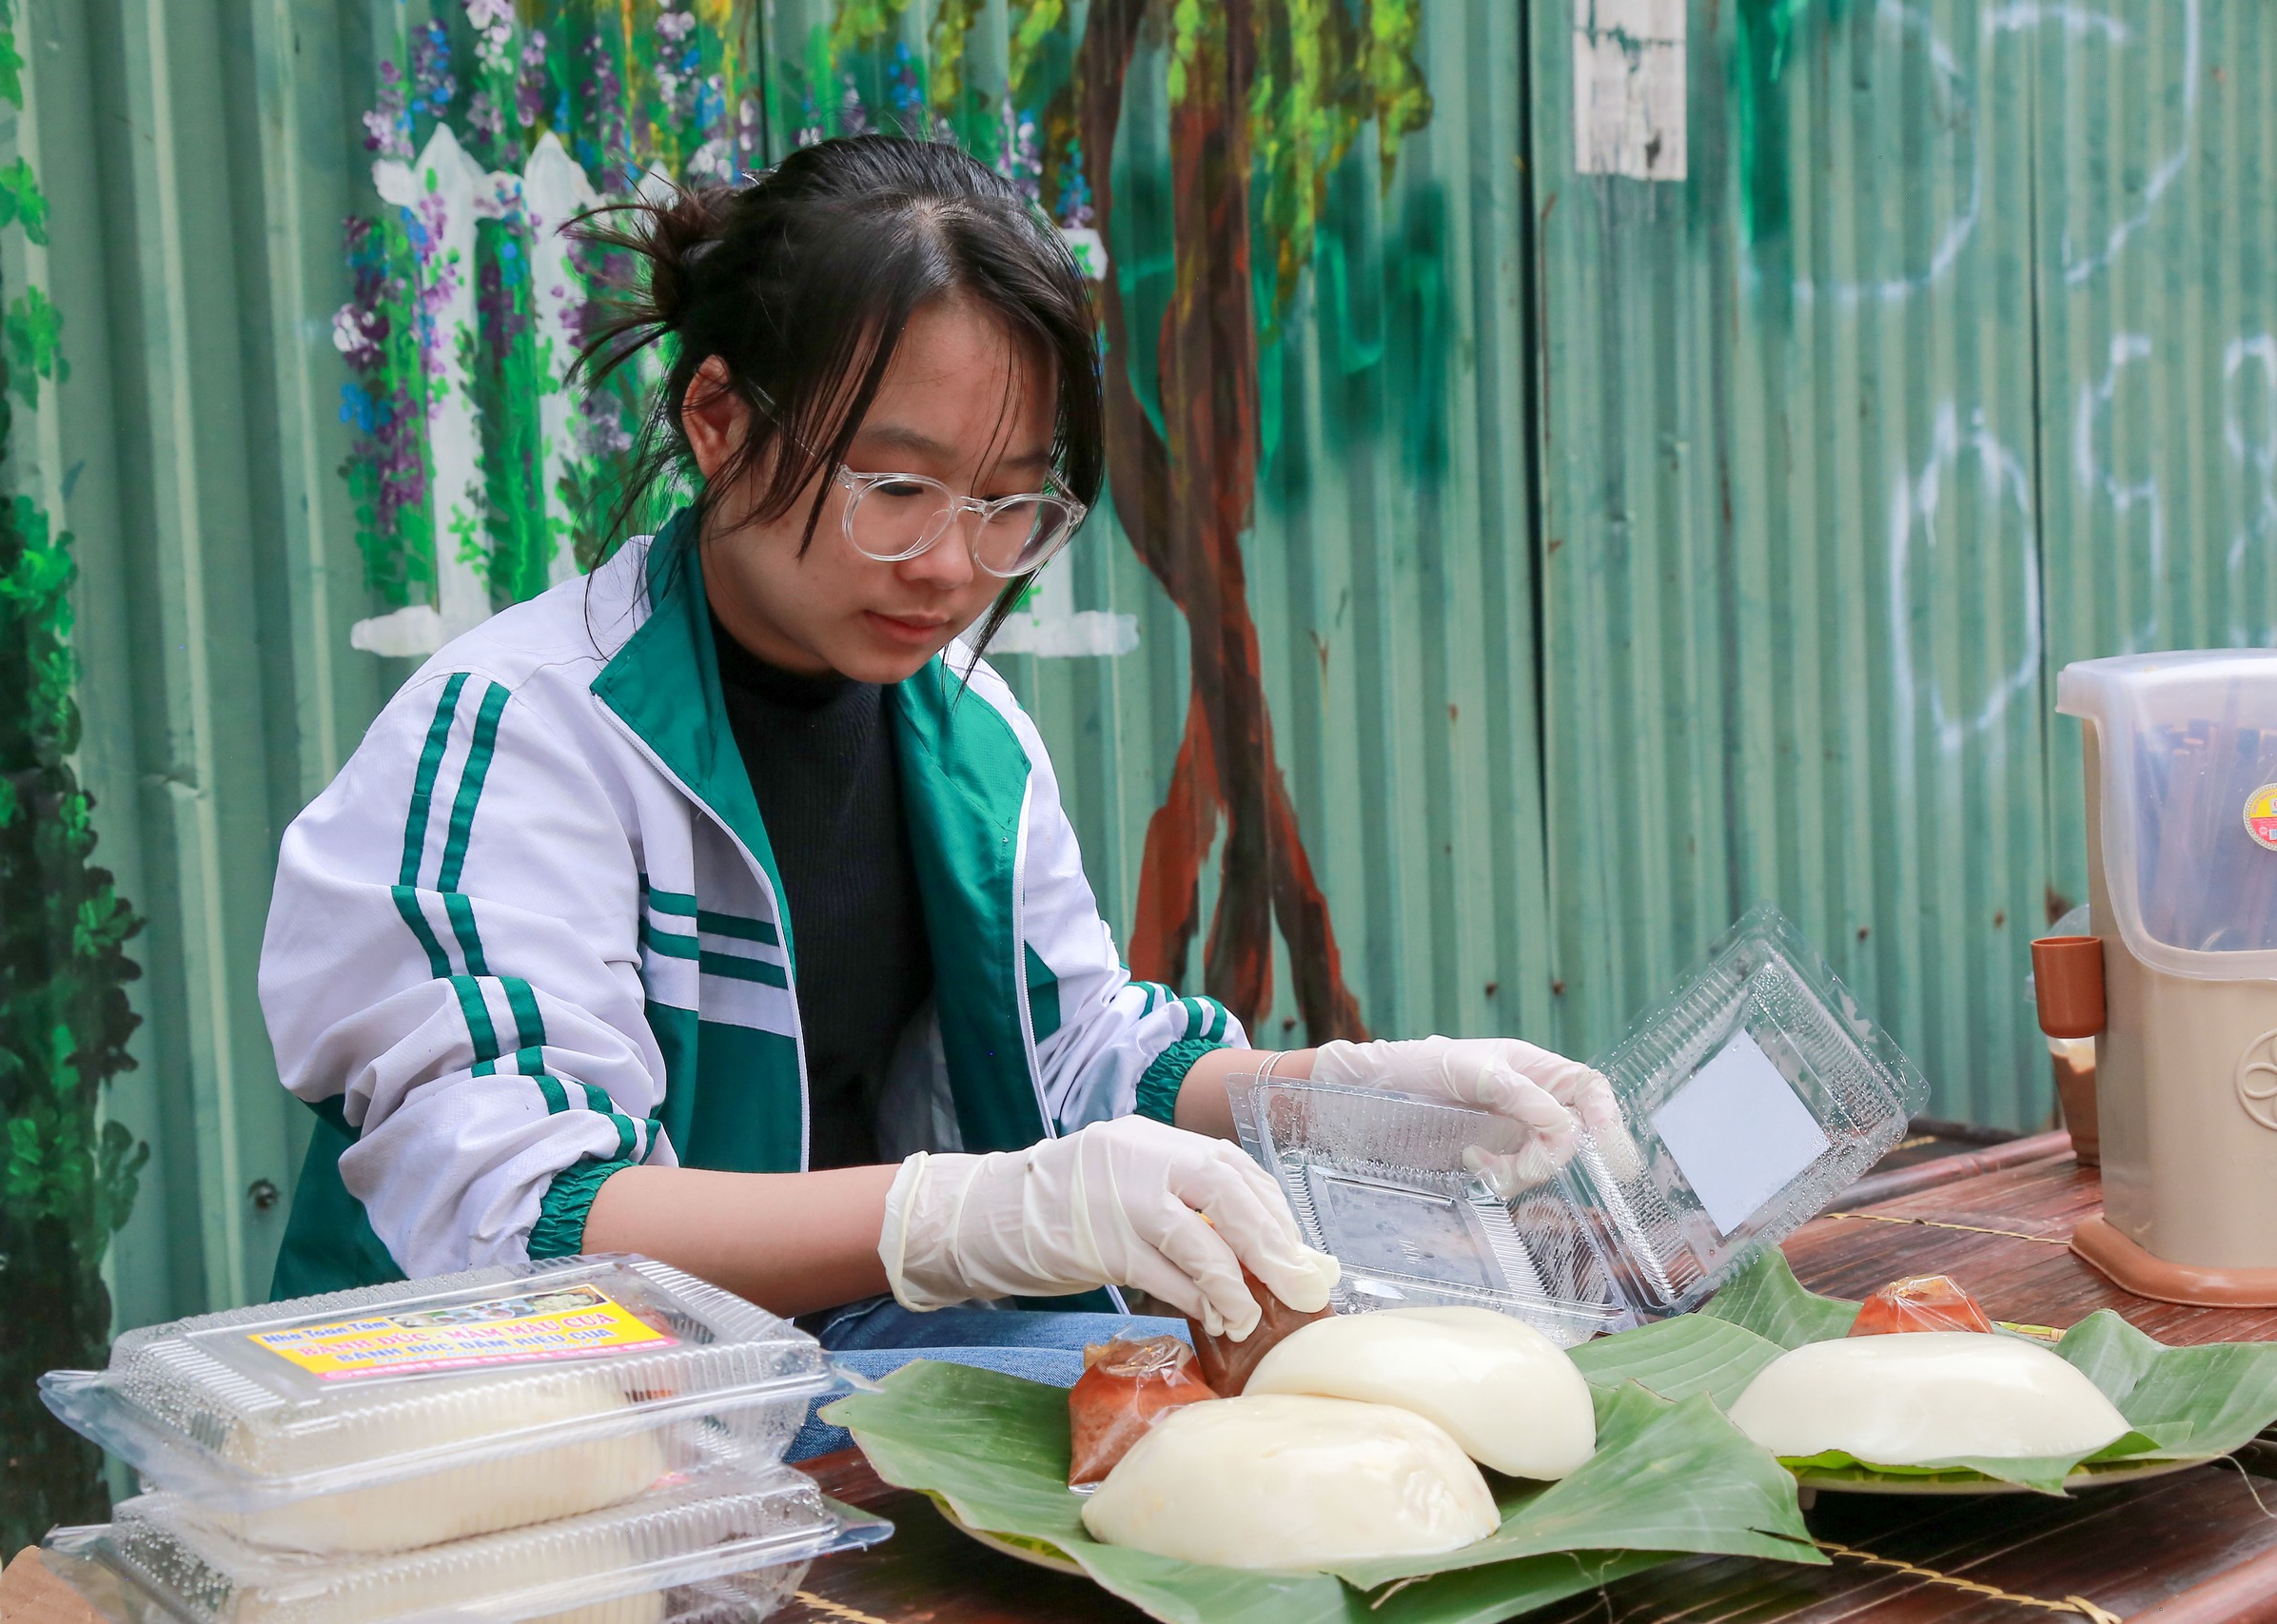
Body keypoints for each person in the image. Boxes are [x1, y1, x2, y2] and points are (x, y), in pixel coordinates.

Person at [258, 136, 1613, 1408]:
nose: (954, 568)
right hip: (535, 1439)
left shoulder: (967, 735)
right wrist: (961, 1212)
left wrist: (1349, 1101)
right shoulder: (525, 733)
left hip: (827, 1382)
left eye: (1010, 502)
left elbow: (1078, 1052)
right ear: (720, 421)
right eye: (895, 491)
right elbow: (527, 1222)